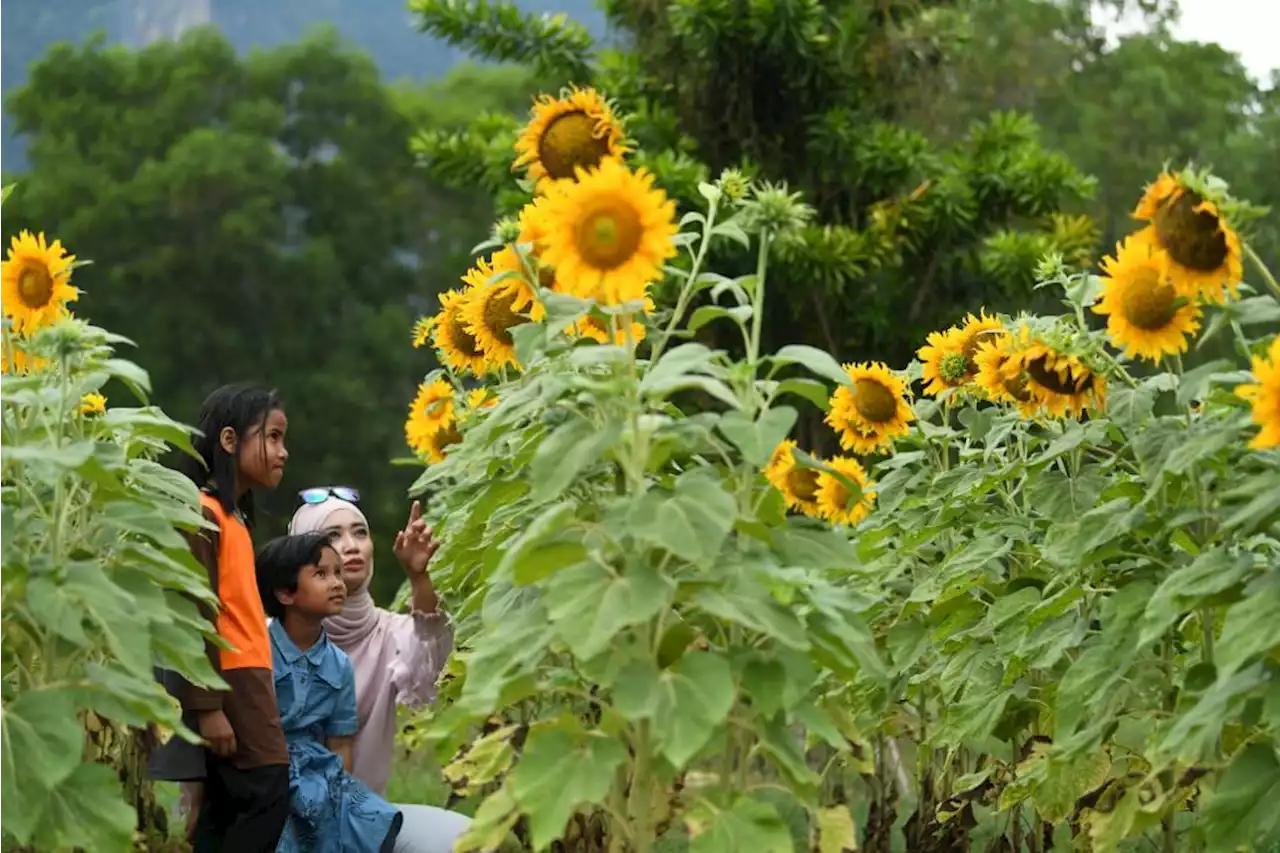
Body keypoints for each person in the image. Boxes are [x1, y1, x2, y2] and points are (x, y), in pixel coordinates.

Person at [150, 384, 292, 852]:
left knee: (226, 812)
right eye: (271, 437)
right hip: (230, 683)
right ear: (229, 441)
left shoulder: (233, 518)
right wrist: (208, 708)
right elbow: (193, 611)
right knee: (267, 791)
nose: (282, 452)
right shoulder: (203, 514)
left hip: (245, 679)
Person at [288, 489, 468, 852]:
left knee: (468, 840)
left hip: (365, 826)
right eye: (332, 536)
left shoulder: (391, 633)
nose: (351, 545)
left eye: (360, 532)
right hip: (281, 828)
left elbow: (430, 668)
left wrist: (420, 579)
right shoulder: (273, 638)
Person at [256, 532, 404, 853]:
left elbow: (340, 741)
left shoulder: (339, 665)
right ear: (284, 592)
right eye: (321, 574)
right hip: (265, 763)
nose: (337, 583)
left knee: (373, 820)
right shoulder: (258, 651)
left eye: (338, 573)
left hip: (318, 770)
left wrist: (334, 794)